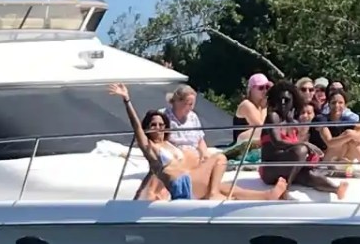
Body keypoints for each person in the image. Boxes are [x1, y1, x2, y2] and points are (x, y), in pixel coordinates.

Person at [109, 83, 288, 201]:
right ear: (148, 129)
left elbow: (156, 173)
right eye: (154, 125)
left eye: (162, 125)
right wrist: (127, 100)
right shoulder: (152, 148)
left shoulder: (168, 145)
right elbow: (155, 169)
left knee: (226, 187)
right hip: (183, 186)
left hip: (188, 180)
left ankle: (266, 196)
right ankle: (212, 195)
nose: (159, 127)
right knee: (219, 159)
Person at [257, 81, 349, 199]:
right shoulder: (273, 117)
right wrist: (305, 145)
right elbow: (277, 142)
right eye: (280, 99)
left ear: (293, 102)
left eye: (287, 100)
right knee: (300, 149)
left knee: (308, 175)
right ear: (274, 100)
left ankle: (336, 189)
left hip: (288, 167)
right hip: (270, 168)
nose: (283, 103)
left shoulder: (293, 122)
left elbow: (294, 148)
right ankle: (284, 189)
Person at [317, 90, 360, 176]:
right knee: (350, 135)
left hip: (344, 156)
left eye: (340, 103)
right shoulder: (322, 119)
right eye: (333, 103)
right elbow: (330, 142)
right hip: (327, 157)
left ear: (345, 105)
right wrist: (349, 135)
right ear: (329, 104)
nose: (337, 105)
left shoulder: (347, 120)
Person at [232, 73, 272, 144]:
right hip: (240, 142)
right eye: (261, 88)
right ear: (251, 89)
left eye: (267, 87)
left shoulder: (262, 105)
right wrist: (263, 108)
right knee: (267, 129)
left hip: (252, 141)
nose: (265, 91)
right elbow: (260, 127)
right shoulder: (246, 104)